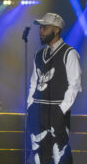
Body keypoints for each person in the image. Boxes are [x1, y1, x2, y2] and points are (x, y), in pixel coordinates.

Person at [27, 13, 82, 164]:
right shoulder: (38, 54)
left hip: (57, 110)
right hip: (38, 109)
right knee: (39, 153)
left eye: (44, 27)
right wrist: (30, 105)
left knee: (60, 154)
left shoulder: (69, 53)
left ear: (56, 30)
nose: (40, 31)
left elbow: (75, 84)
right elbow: (33, 82)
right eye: (40, 28)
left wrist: (61, 109)